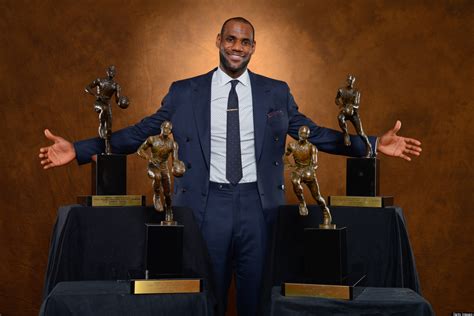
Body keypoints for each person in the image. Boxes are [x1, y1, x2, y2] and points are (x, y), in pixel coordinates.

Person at [39, 17, 422, 316]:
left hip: (260, 209)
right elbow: (141, 132)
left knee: (257, 300)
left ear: (254, 47)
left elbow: (317, 134)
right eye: (230, 39)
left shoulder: (276, 91)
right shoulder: (185, 91)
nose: (237, 47)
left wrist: (371, 144)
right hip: (207, 207)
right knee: (207, 298)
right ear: (219, 42)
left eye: (245, 41)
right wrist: (77, 149)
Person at [284, 125, 335, 229]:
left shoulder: (312, 148)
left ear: (308, 135)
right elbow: (285, 155)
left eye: (305, 134)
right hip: (298, 170)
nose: (303, 135)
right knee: (294, 180)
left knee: (317, 197)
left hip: (309, 171)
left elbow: (315, 164)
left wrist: (310, 170)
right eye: (301, 133)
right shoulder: (292, 145)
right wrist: (287, 164)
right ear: (298, 134)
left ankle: (325, 211)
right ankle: (302, 202)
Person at [136, 121, 185, 224]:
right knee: (157, 176)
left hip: (164, 168)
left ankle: (168, 209)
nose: (166, 130)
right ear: (161, 128)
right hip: (152, 167)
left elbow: (175, 159)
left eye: (169, 129)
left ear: (171, 131)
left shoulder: (173, 144)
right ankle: (157, 196)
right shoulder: (152, 139)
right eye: (165, 128)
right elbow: (140, 150)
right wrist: (149, 158)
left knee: (167, 193)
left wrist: (178, 166)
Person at [335, 74, 372, 157]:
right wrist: (340, 104)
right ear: (347, 81)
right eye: (348, 80)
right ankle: (346, 133)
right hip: (345, 111)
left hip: (353, 113)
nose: (350, 82)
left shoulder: (356, 92)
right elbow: (336, 99)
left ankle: (368, 146)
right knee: (340, 117)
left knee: (361, 133)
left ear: (353, 81)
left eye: (351, 81)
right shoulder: (341, 90)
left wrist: (351, 106)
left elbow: (357, 105)